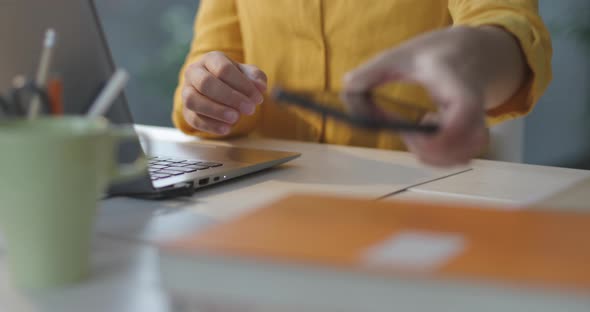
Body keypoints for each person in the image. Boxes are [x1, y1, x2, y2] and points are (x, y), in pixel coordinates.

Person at [173, 1, 552, 167]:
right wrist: (215, 96)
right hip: (261, 203)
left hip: (421, 204)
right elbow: (210, 56)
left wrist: (469, 59)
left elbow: (510, 27)